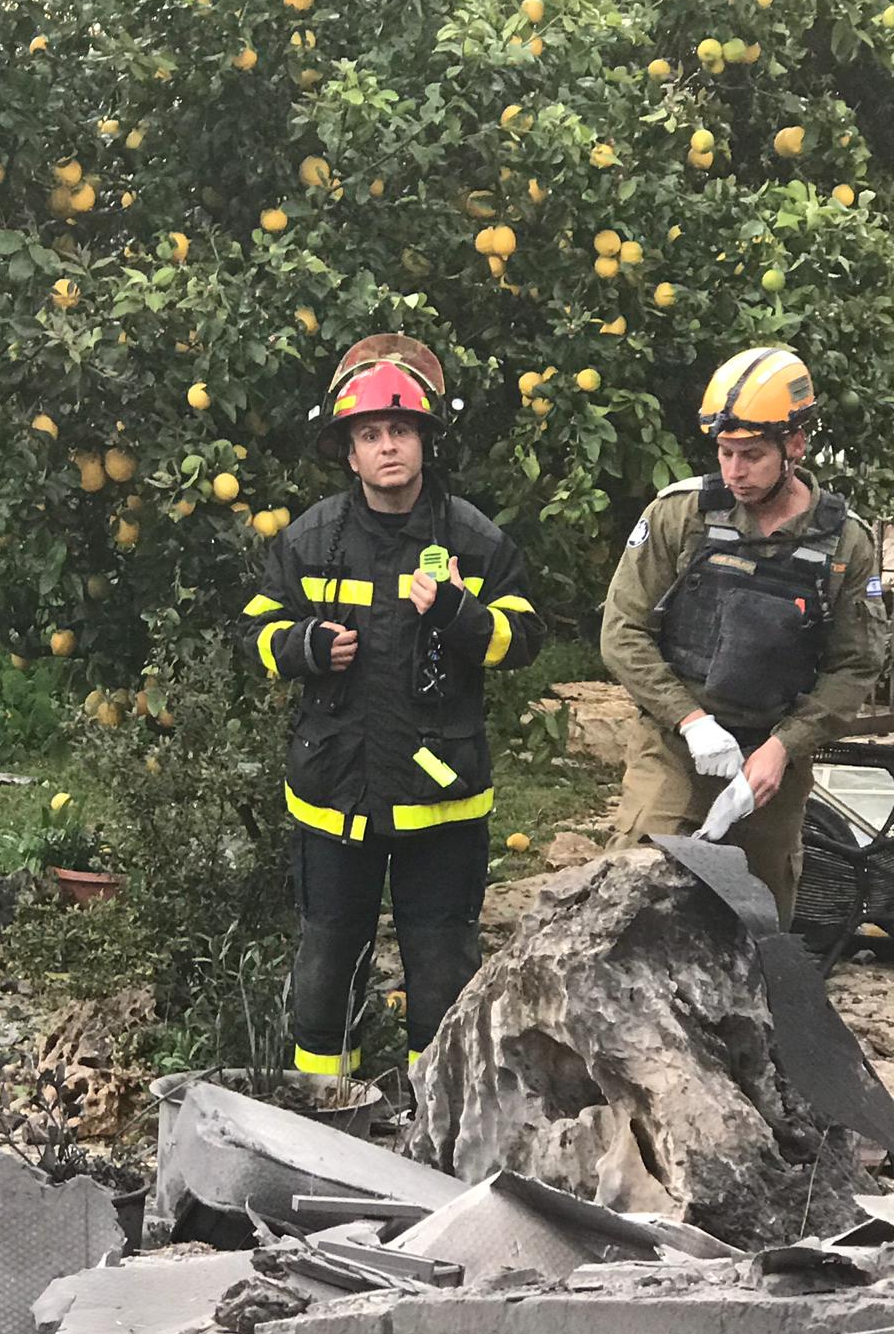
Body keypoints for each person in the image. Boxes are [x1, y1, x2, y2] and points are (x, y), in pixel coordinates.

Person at [240, 334, 545, 1075]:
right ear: (348, 452)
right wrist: (306, 645)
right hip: (334, 792)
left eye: (400, 431)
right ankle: (322, 1114)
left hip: (439, 801)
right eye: (369, 435)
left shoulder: (474, 541)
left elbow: (528, 635)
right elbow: (253, 634)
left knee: (441, 968)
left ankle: (430, 1125)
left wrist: (460, 615)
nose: (386, 448)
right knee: (325, 963)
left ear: (424, 441)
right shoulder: (309, 540)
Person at [601, 344, 888, 927]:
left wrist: (783, 749)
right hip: (677, 743)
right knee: (637, 897)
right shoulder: (680, 516)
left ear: (796, 445)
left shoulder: (845, 544)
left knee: (758, 919)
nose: (734, 471)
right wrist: (691, 721)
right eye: (725, 453)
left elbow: (855, 666)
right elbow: (622, 631)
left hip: (774, 748)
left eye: (752, 455)